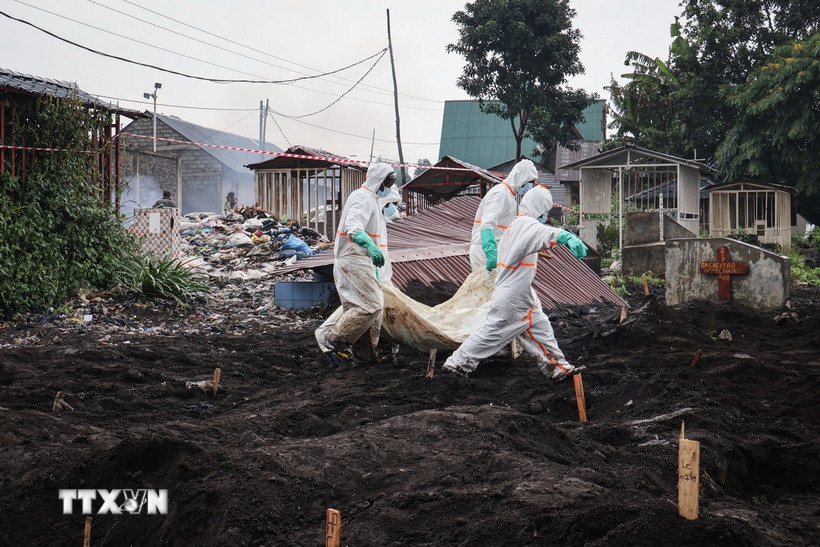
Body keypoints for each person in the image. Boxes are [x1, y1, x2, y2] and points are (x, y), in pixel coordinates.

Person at [443, 185, 589, 380]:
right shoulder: (527, 225)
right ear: (540, 208)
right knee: (492, 334)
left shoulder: (517, 225)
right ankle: (456, 364)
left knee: (541, 327)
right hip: (513, 297)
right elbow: (544, 234)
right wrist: (566, 236)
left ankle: (559, 368)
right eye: (545, 210)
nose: (545, 215)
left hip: (520, 293)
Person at [317, 162, 396, 363]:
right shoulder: (363, 198)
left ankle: (364, 356)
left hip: (361, 260)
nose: (391, 184)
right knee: (371, 306)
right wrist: (370, 245)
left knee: (367, 309)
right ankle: (332, 341)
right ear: (380, 178)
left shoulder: (372, 199)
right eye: (390, 179)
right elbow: (354, 227)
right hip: (353, 259)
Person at [470, 158, 539, 272]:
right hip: (485, 252)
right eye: (530, 182)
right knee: (487, 289)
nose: (531, 186)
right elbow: (487, 223)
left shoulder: (509, 196)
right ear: (521, 178)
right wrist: (490, 252)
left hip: (496, 251)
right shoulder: (500, 194)